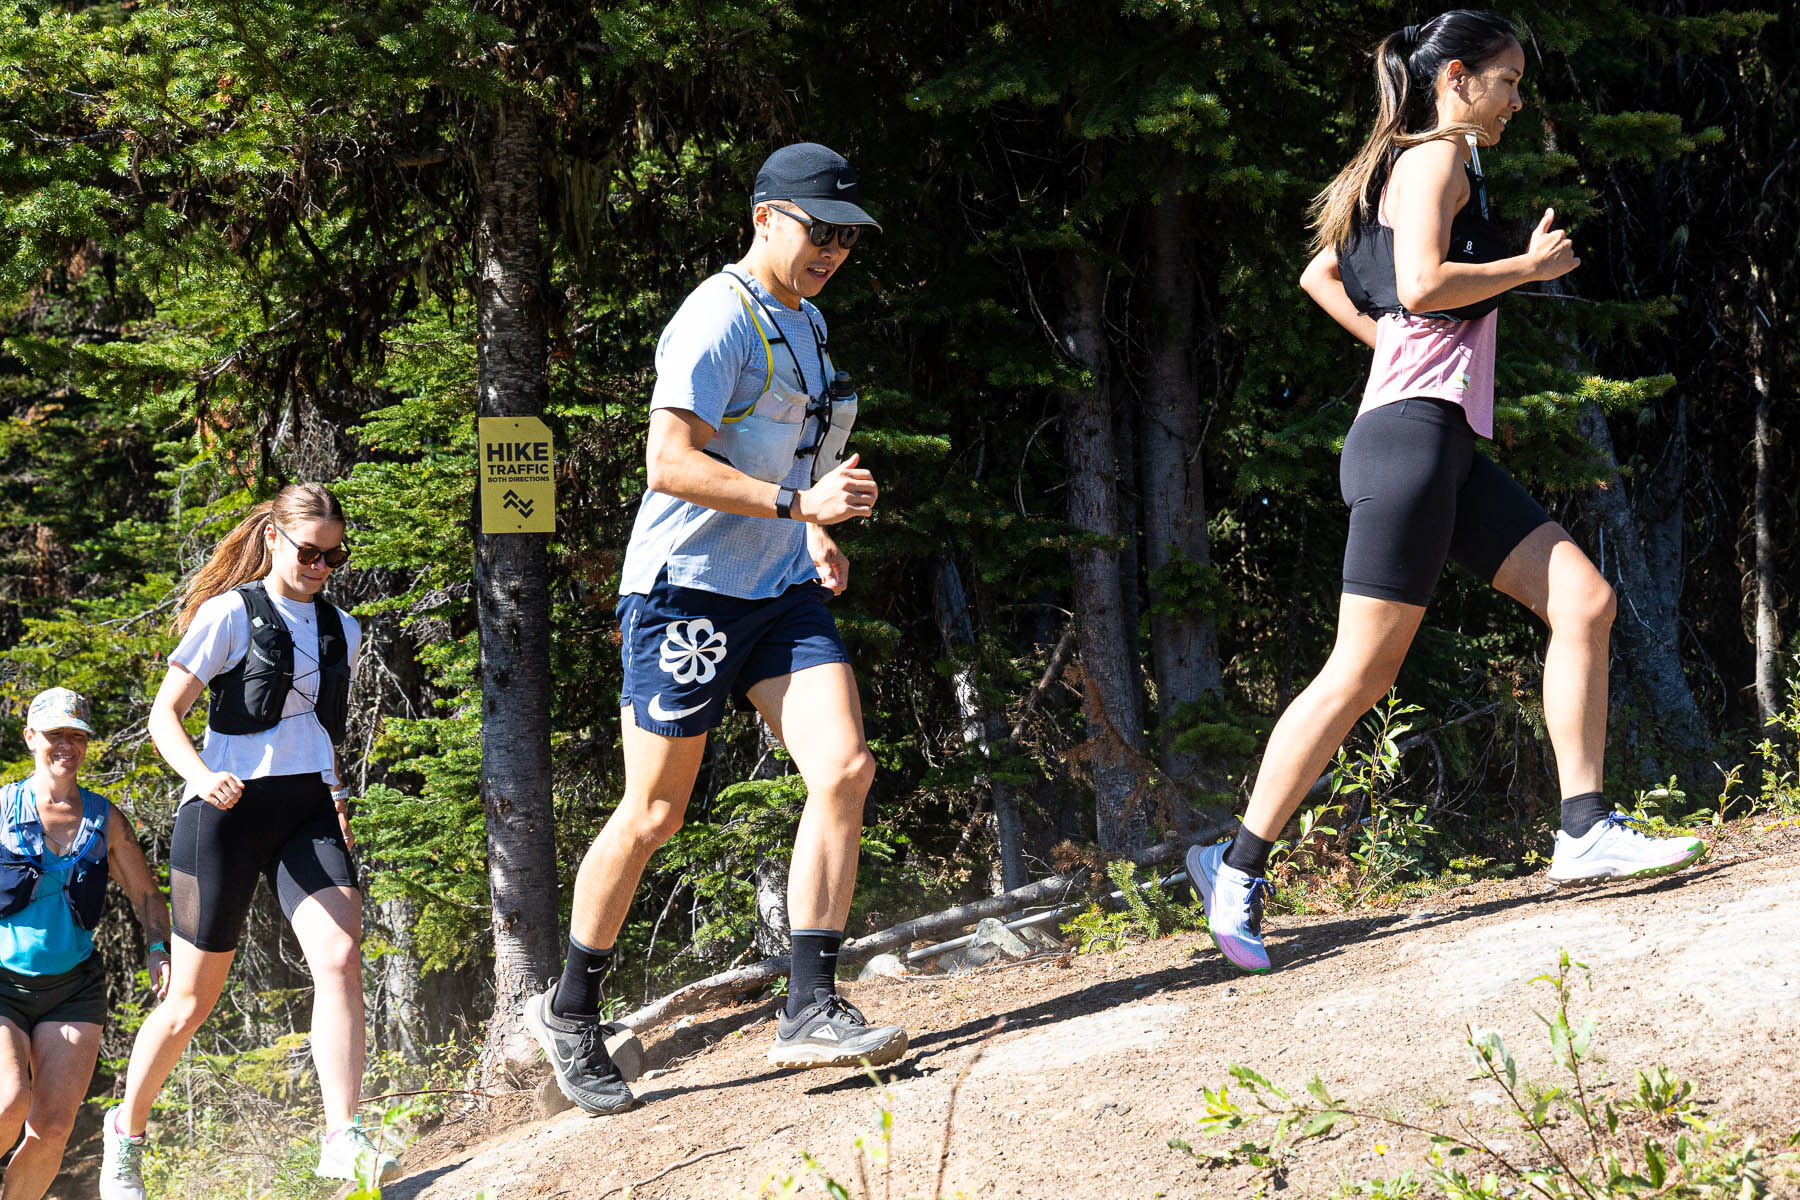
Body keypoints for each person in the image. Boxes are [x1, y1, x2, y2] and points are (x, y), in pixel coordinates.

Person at [1187, 10, 1706, 974]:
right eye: (1508, 80)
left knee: (1584, 602)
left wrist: (1391, 344)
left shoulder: (1409, 164)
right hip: (1410, 446)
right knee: (1361, 673)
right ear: (1458, 77)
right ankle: (1236, 860)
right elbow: (1422, 285)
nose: (1517, 99)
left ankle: (1583, 827)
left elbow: (1320, 273)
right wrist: (1527, 268)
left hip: (1442, 442)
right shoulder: (1434, 159)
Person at [526, 142, 904, 1116]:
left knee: (846, 770)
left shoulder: (810, 324)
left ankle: (811, 1006)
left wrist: (814, 531)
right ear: (766, 217)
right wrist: (795, 504)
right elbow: (667, 462)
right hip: (683, 594)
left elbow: (810, 454)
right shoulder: (715, 316)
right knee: (654, 814)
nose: (832, 251)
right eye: (819, 230)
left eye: (847, 239)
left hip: (779, 590)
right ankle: (570, 1008)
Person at [100, 483, 397, 1198]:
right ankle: (126, 1134)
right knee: (191, 1003)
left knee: (341, 955)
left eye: (335, 555)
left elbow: (324, 729)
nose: (322, 566)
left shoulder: (342, 629)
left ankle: (341, 1137)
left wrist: (335, 797)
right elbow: (164, 714)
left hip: (307, 806)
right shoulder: (229, 614)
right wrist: (201, 777)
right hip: (224, 809)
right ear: (274, 540)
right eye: (309, 552)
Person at [0, 689, 169, 1200]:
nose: (66, 745)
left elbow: (145, 895)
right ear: (31, 738)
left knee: (51, 1129)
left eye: (77, 736)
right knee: (9, 1102)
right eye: (55, 735)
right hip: (2, 984)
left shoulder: (103, 819)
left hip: (73, 987)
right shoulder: (3, 808)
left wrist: (159, 949)